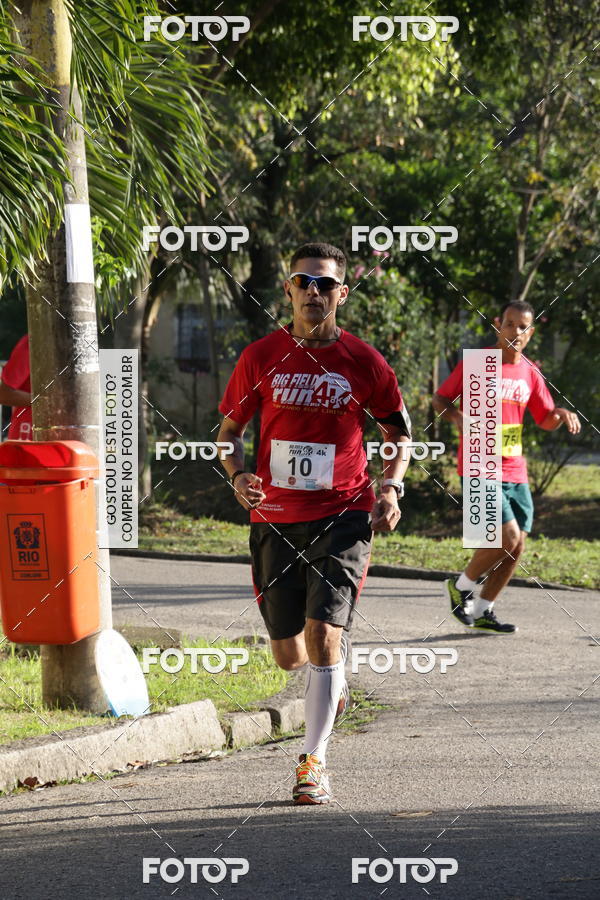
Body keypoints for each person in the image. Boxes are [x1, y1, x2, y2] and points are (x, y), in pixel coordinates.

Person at [217, 242, 411, 804]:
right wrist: (236, 477)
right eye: (304, 281)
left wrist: (391, 486)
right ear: (289, 290)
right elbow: (227, 434)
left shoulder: (365, 362)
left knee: (324, 637)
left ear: (341, 295)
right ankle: (334, 683)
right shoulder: (260, 357)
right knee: (289, 653)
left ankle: (313, 763)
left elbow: (397, 436)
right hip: (275, 519)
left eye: (325, 284)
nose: (314, 292)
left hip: (344, 514)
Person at [432, 300, 581, 634]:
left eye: (522, 326)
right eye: (510, 324)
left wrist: (562, 415)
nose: (516, 332)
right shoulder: (477, 364)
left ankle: (484, 610)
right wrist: (456, 417)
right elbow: (440, 399)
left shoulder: (530, 371)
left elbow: (544, 419)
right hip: (479, 463)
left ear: (531, 332)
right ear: (499, 325)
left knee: (517, 546)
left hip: (514, 468)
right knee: (506, 536)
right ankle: (462, 587)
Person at [0, 335, 32, 440]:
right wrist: (51, 402)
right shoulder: (33, 340)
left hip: (69, 436)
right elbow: (4, 393)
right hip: (28, 434)